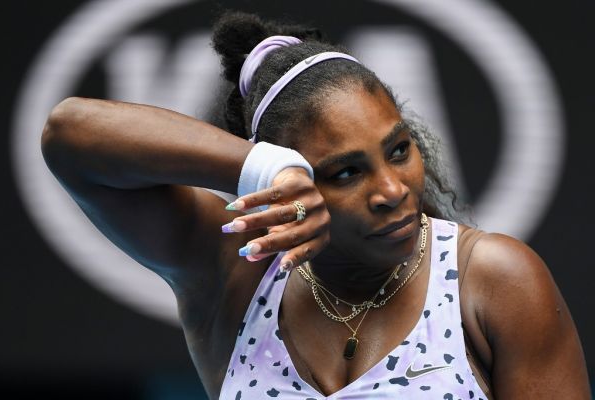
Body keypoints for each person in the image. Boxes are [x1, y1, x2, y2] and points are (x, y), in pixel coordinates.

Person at [40, 11, 590, 400]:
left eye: (399, 150)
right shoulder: (235, 270)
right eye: (344, 172)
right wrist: (258, 168)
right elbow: (69, 134)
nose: (393, 190)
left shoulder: (493, 278)